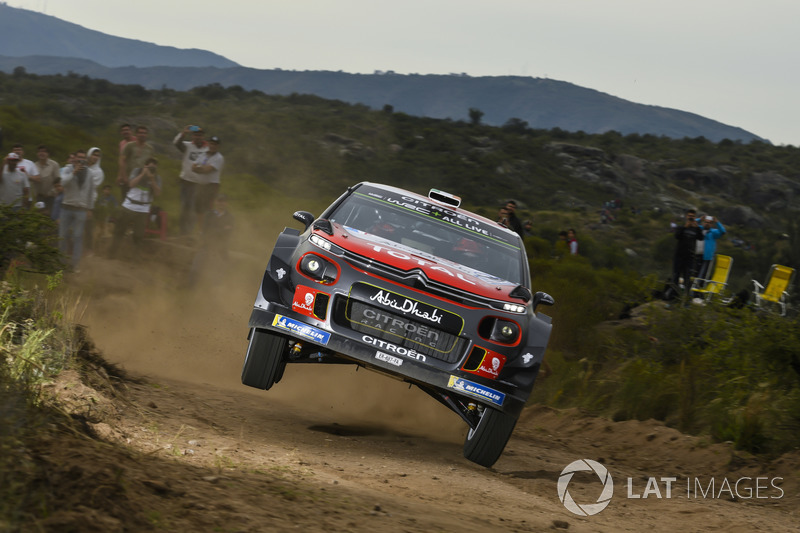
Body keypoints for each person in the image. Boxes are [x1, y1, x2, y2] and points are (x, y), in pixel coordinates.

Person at [59, 149, 103, 270]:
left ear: (85, 159)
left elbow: (90, 191)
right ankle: (61, 262)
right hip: (66, 207)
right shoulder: (67, 169)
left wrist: (90, 208)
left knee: (78, 237)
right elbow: (62, 183)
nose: (81, 160)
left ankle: (75, 264)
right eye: (79, 157)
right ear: (75, 158)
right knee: (62, 235)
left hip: (81, 209)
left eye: (83, 158)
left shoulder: (89, 173)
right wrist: (73, 172)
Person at [109, 157, 161, 260]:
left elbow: (158, 193)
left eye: (154, 168)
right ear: (145, 166)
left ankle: (135, 257)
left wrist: (151, 179)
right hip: (129, 205)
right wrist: (142, 174)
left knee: (139, 235)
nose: (152, 169)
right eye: (150, 167)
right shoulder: (137, 171)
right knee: (119, 230)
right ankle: (112, 253)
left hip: (143, 208)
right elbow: (131, 184)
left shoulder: (157, 178)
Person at [186, 193, 235, 287]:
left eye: (223, 201)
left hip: (221, 250)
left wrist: (215, 231)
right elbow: (206, 231)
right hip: (207, 246)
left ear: (226, 203)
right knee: (195, 269)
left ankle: (215, 296)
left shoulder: (230, 217)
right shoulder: (209, 215)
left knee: (220, 275)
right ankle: (191, 291)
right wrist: (222, 229)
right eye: (219, 201)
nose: (221, 203)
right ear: (215, 202)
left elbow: (228, 233)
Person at [172, 124, 208, 235]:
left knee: (193, 208)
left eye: (200, 135)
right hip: (186, 181)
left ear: (203, 136)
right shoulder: (187, 146)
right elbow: (176, 143)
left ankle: (189, 232)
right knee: (184, 207)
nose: (198, 137)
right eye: (196, 135)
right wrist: (184, 132)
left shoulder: (206, 149)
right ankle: (182, 231)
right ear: (192, 136)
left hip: (199, 183)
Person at [666, 208, 704, 299]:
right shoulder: (681, 227)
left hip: (690, 257)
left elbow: (701, 238)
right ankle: (673, 296)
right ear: (686, 217)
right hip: (679, 256)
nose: (691, 218)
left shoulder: (696, 229)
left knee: (688, 278)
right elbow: (677, 236)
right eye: (689, 216)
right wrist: (685, 227)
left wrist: (697, 228)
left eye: (693, 217)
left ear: (695, 217)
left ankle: (685, 297)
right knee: (676, 276)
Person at [191, 135, 225, 226]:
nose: (213, 146)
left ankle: (208, 229)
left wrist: (199, 168)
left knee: (208, 209)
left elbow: (207, 170)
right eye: (211, 143)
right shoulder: (203, 154)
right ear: (208, 144)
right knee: (198, 208)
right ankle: (201, 229)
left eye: (215, 144)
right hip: (200, 185)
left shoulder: (219, 157)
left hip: (212, 185)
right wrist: (200, 168)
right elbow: (193, 167)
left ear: (218, 146)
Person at [120, 125, 155, 200]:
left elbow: (151, 164)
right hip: (129, 178)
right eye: (140, 133)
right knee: (125, 201)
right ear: (136, 134)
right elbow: (122, 161)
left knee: (138, 201)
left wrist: (151, 178)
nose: (143, 135)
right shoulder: (129, 146)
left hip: (142, 180)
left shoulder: (150, 149)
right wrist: (124, 176)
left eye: (145, 133)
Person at [82, 147, 105, 254]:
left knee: (88, 225)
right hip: (77, 198)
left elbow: (90, 186)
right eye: (93, 154)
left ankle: (89, 248)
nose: (95, 157)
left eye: (97, 155)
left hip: (89, 200)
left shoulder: (99, 172)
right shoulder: (82, 166)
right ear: (89, 155)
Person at [32, 145, 61, 217]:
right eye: (39, 151)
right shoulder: (34, 165)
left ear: (48, 154)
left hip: (51, 197)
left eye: (44, 151)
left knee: (51, 218)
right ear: (37, 153)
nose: (41, 153)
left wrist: (53, 192)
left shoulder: (54, 165)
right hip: (39, 197)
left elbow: (58, 181)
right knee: (39, 217)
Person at [695, 215, 726, 281]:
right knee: (693, 273)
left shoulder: (713, 232)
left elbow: (723, 231)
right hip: (696, 255)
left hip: (706, 257)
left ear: (711, 224)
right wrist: (700, 219)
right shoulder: (699, 229)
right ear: (703, 222)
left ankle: (697, 288)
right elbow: (692, 224)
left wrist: (717, 222)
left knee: (701, 275)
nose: (707, 224)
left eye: (709, 223)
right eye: (706, 222)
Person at [117, 123, 136, 201]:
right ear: (121, 133)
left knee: (135, 196)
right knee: (125, 197)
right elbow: (121, 161)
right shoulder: (121, 144)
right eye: (123, 130)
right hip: (125, 173)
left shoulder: (136, 141)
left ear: (131, 131)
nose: (125, 132)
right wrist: (119, 175)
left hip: (135, 172)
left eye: (127, 130)